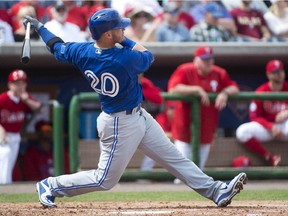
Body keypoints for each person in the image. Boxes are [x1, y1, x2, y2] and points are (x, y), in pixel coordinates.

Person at [23, 8, 247, 208]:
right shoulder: (122, 58)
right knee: (104, 180)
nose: (124, 30)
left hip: (138, 116)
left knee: (174, 158)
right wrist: (126, 40)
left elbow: (57, 46)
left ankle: (217, 191)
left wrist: (40, 27)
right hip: (119, 123)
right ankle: (51, 185)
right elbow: (148, 56)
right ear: (108, 34)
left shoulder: (83, 51)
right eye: (119, 28)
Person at [168, 45, 239, 170]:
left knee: (198, 170)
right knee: (182, 171)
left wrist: (224, 93)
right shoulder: (185, 70)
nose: (208, 62)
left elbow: (234, 87)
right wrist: (196, 89)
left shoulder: (219, 72)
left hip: (207, 128)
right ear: (196, 60)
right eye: (204, 59)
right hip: (184, 128)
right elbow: (173, 89)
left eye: (210, 59)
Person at [236, 59, 286, 166]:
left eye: (281, 71)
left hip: (285, 126)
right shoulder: (261, 91)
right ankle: (269, 156)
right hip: (268, 128)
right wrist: (270, 126)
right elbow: (254, 117)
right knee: (242, 131)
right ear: (268, 75)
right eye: (275, 72)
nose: (279, 74)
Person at [0, 70, 42, 184]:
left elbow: (39, 109)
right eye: (17, 83)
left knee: (9, 162)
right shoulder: (3, 98)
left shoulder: (25, 98)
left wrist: (26, 100)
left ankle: (5, 187)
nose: (20, 86)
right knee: (5, 157)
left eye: (22, 83)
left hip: (15, 135)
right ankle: (4, 187)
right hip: (3, 134)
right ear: (10, 84)